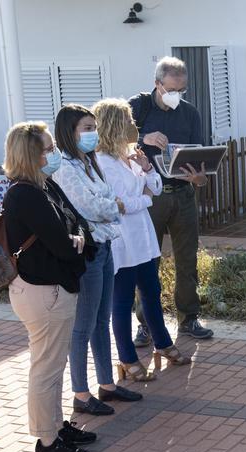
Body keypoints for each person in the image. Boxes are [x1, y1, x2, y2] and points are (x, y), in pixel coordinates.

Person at [2, 121, 97, 452]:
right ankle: (46, 442)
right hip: (43, 292)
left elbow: (77, 223)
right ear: (30, 154)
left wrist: (79, 238)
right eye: (47, 148)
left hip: (52, 288)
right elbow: (63, 242)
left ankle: (56, 427)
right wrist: (77, 241)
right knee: (46, 368)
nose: (53, 153)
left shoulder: (43, 186)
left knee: (53, 366)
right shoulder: (24, 194)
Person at [52, 104, 143, 416]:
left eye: (94, 127)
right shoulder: (64, 166)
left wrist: (110, 204)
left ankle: (107, 384)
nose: (93, 134)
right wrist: (113, 206)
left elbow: (105, 197)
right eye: (86, 129)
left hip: (105, 246)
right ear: (69, 132)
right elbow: (90, 206)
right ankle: (81, 392)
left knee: (101, 322)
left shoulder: (88, 162)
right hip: (87, 252)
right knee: (83, 326)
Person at [93, 97, 191, 378]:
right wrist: (144, 199)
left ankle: (162, 344)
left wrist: (147, 169)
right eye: (127, 120)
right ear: (114, 125)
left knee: (152, 292)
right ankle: (127, 358)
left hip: (143, 238)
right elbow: (118, 204)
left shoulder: (130, 154)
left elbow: (156, 188)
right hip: (122, 241)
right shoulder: (102, 163)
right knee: (122, 302)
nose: (133, 125)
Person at [128, 56, 214, 342]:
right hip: (149, 197)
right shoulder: (136, 108)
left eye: (182, 90)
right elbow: (111, 143)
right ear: (157, 84)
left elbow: (198, 155)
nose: (177, 96)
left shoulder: (189, 113)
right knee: (147, 262)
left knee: (187, 260)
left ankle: (188, 319)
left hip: (183, 195)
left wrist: (200, 178)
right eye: (172, 89)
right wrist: (142, 139)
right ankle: (146, 324)